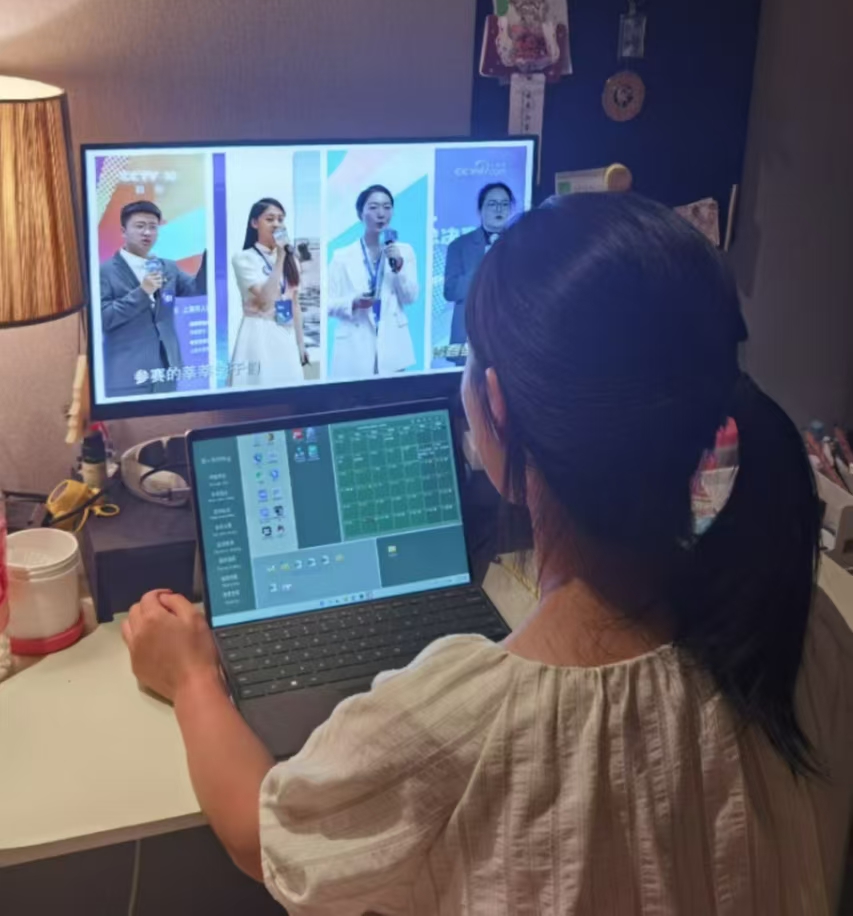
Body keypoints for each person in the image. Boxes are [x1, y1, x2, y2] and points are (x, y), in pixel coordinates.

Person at [121, 194, 853, 914]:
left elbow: (262, 837)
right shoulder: (806, 629)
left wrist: (192, 678)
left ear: (495, 406)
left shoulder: (452, 728)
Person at [99, 200, 206, 397]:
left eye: (153, 227)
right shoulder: (104, 272)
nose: (147, 232)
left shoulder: (167, 267)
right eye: (140, 226)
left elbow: (197, 288)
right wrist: (142, 292)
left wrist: (211, 256)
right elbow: (103, 318)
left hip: (166, 369)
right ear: (123, 231)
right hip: (128, 374)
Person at [327, 183, 418, 378]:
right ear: (360, 213)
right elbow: (326, 304)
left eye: (387, 207)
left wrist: (399, 268)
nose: (381, 214)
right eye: (374, 207)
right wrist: (353, 302)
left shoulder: (404, 252)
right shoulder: (341, 256)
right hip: (354, 345)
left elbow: (410, 298)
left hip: (393, 345)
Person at [229, 198, 308, 388]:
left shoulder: (292, 261)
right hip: (258, 334)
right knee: (258, 390)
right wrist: (280, 258)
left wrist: (300, 343)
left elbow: (295, 304)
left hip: (285, 334)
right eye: (270, 219)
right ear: (254, 223)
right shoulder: (244, 258)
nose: (276, 224)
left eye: (281, 219)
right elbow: (265, 299)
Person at [443, 181, 515, 364]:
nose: (499, 209)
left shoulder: (521, 244)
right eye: (492, 204)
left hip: (510, 337)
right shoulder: (459, 246)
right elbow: (450, 291)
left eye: (504, 204)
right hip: (469, 336)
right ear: (480, 210)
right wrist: (484, 262)